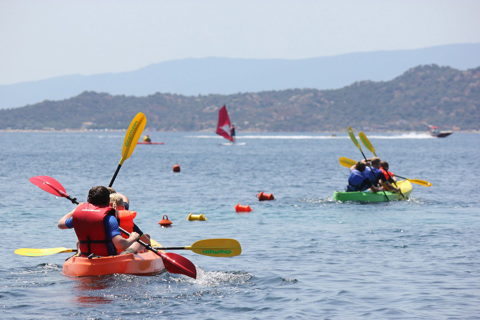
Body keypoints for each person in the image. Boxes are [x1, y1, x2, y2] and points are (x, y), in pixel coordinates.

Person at [57, 186, 142, 257]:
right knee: (139, 243)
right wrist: (133, 238)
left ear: (88, 201)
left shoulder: (79, 216)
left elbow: (61, 224)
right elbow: (120, 245)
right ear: (108, 201)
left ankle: (79, 254)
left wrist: (75, 211)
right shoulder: (109, 218)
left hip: (86, 258)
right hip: (106, 259)